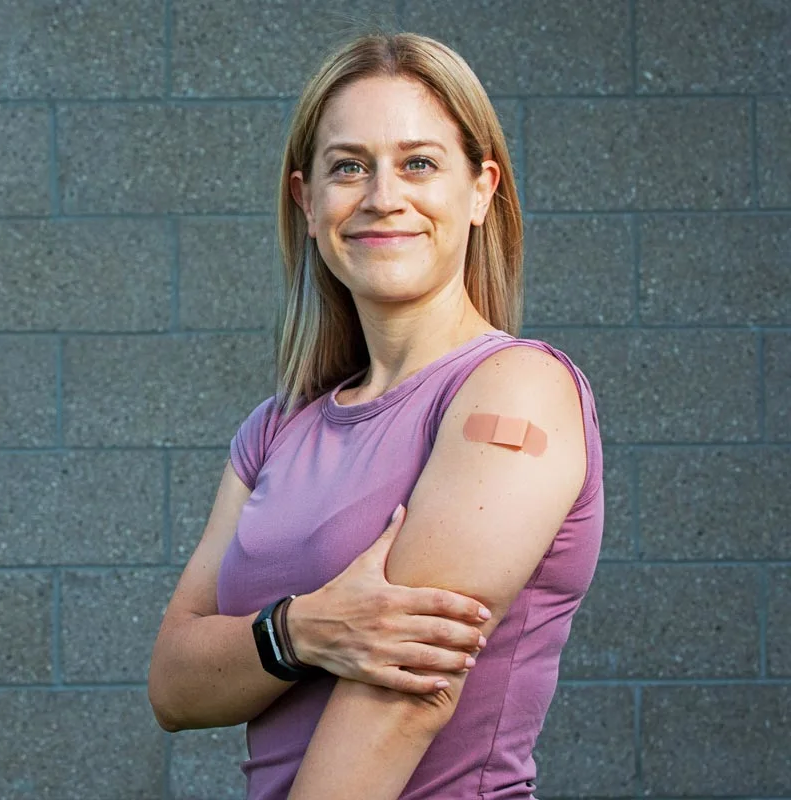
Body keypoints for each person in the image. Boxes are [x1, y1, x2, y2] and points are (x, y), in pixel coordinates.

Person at [148, 30, 603, 800]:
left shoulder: (516, 390)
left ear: (481, 190)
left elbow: (404, 701)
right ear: (308, 198)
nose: (382, 196)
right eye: (349, 166)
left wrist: (271, 647)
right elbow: (174, 686)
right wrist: (299, 631)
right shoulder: (277, 428)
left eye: (419, 163)